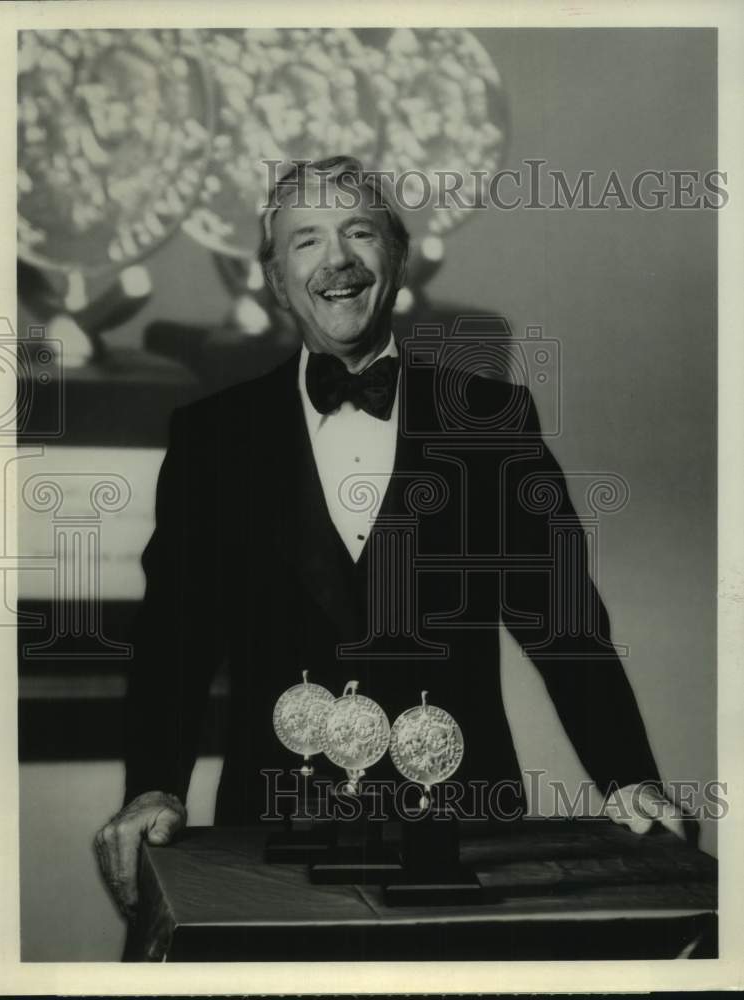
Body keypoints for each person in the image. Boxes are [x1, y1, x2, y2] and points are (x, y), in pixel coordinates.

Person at [95, 156, 687, 920]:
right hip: (271, 831)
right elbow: (175, 634)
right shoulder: (212, 436)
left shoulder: (491, 419)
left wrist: (626, 776)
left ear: (395, 259)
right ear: (276, 280)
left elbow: (564, 624)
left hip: (468, 832)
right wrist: (152, 785)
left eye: (358, 232)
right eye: (304, 241)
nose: (335, 259)